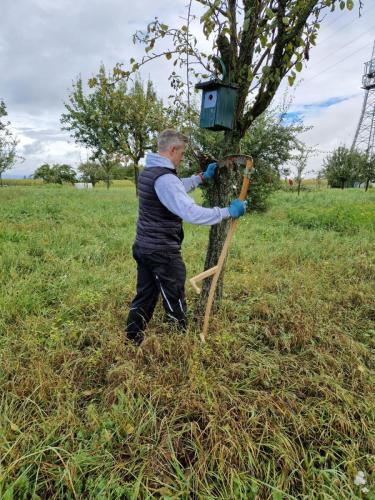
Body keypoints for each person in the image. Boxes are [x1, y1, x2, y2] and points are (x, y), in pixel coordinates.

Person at [126, 129, 247, 345]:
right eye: (181, 153)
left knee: (145, 293)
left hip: (143, 246)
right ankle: (179, 342)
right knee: (174, 295)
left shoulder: (150, 171)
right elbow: (191, 212)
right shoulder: (165, 179)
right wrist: (228, 212)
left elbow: (174, 188)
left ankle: (132, 338)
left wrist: (200, 178)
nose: (182, 158)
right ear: (172, 149)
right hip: (162, 251)